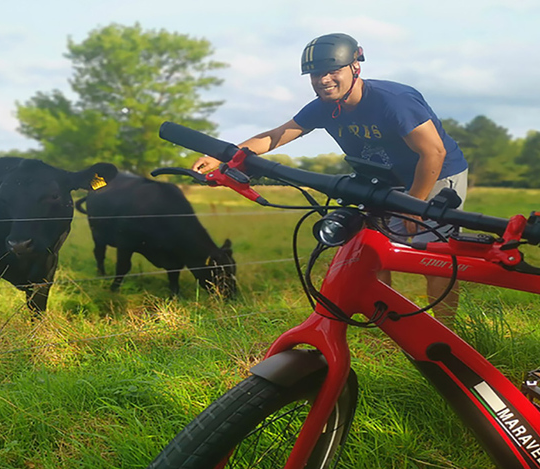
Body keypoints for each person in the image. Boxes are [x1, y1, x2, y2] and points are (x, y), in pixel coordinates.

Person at [192, 33, 469, 327]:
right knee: (370, 251)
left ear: (355, 67)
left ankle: (445, 331)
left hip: (435, 176)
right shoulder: (324, 107)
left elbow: (433, 152)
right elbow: (275, 136)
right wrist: (223, 156)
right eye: (315, 74)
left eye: (332, 71)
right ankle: (388, 325)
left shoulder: (394, 101)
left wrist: (414, 204)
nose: (323, 80)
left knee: (434, 261)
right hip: (382, 180)